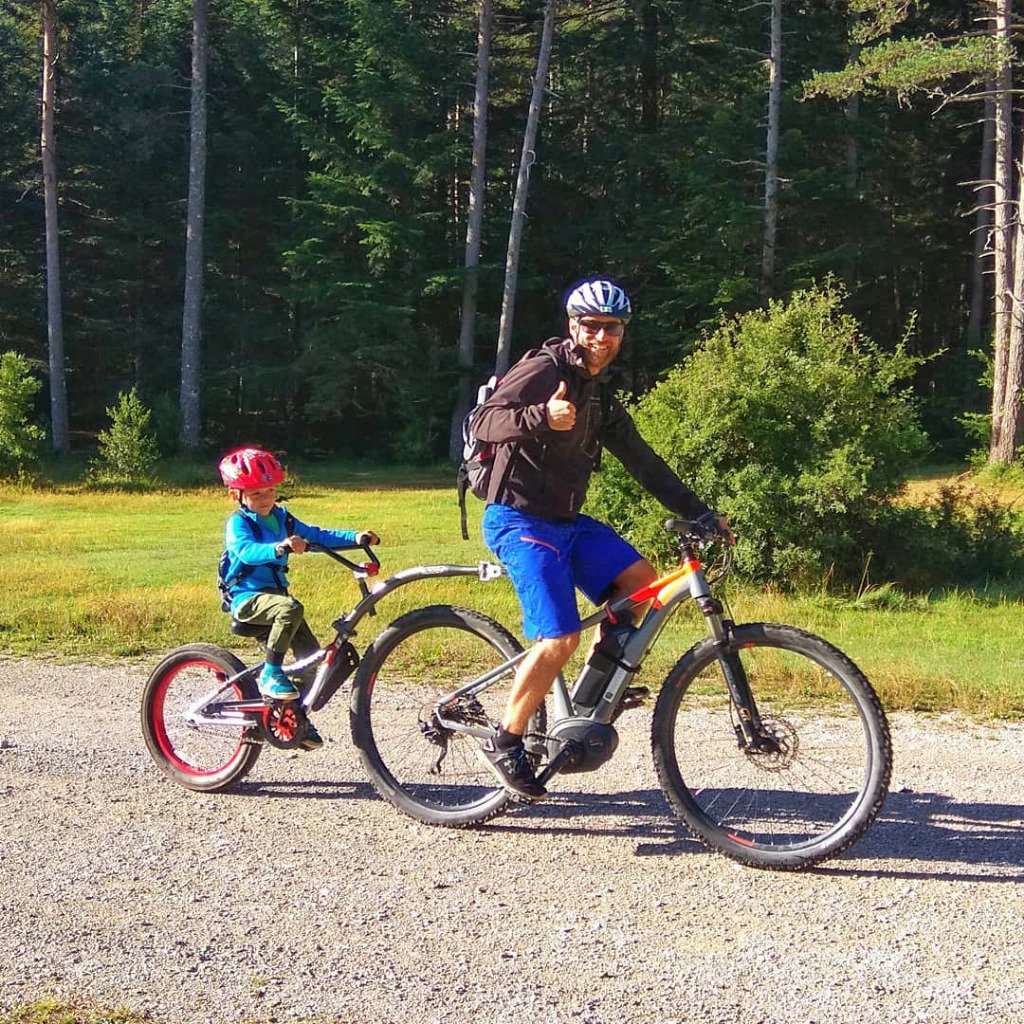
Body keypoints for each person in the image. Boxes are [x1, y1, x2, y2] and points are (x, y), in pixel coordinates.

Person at [472, 278, 731, 799]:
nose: (601, 336)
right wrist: (540, 416)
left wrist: (700, 512)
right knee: (558, 637)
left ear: (620, 333)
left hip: (566, 523)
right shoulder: (546, 369)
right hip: (517, 520)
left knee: (639, 581)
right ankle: (507, 739)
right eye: (591, 326)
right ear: (574, 327)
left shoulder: (598, 394)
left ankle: (597, 682)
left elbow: (643, 462)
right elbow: (484, 421)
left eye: (611, 327)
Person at [218, 447, 379, 750]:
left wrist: (355, 538)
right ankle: (270, 672)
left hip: (276, 601)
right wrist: (280, 548)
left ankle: (290, 720)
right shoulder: (238, 524)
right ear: (236, 495)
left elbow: (317, 535)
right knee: (290, 608)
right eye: (255, 493)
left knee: (310, 658)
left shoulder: (282, 518)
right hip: (247, 598)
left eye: (270, 490)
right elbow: (246, 552)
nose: (265, 497)